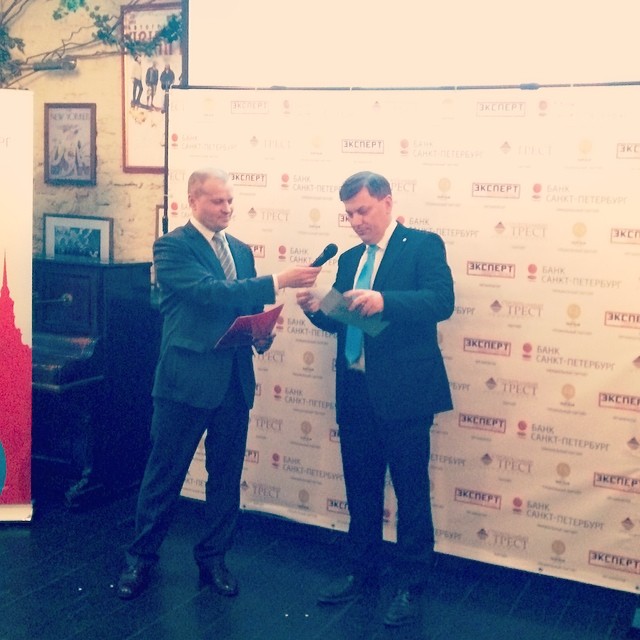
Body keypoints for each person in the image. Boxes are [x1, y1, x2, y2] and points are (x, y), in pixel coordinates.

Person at [116, 168, 321, 600]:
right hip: (185, 382)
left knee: (225, 479)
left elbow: (247, 306)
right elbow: (210, 292)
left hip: (234, 382)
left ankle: (213, 559)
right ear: (192, 201)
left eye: (230, 201)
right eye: (217, 201)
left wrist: (262, 335)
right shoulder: (172, 246)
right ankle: (141, 559)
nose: (227, 208)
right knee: (164, 476)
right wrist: (280, 280)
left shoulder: (241, 251)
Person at [296, 171, 454, 627]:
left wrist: (386, 300)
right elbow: (347, 322)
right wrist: (318, 309)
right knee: (361, 490)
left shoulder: (422, 245)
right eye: (349, 214)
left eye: (363, 210)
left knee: (410, 492)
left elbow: (441, 302)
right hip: (356, 393)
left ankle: (410, 584)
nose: (356, 221)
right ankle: (362, 573)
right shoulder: (349, 259)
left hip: (405, 395)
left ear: (387, 202)